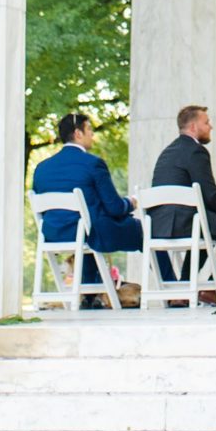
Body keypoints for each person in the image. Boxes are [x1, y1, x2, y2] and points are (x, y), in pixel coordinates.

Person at [31, 112, 144, 306]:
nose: (93, 134)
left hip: (54, 234)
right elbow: (115, 207)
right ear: (78, 133)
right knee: (144, 230)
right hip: (89, 233)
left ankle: (90, 297)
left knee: (90, 230)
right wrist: (131, 202)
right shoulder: (93, 164)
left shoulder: (41, 168)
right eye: (90, 130)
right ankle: (172, 291)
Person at [151, 104, 216, 302]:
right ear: (193, 127)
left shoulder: (167, 152)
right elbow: (209, 192)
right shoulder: (196, 151)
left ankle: (182, 290)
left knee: (206, 231)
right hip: (186, 223)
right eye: (206, 122)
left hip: (160, 225)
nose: (210, 127)